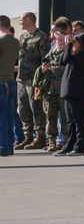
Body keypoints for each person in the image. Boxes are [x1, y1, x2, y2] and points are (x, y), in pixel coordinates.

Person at [15, 12, 48, 151]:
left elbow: (45, 60)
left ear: (29, 20)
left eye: (22, 20)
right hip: (22, 79)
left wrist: (41, 80)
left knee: (37, 109)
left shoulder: (42, 37)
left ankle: (40, 137)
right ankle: (27, 136)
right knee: (23, 109)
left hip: (34, 80)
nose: (20, 22)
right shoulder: (22, 37)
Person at [55, 32, 84, 156]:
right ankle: (69, 146)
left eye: (75, 42)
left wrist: (69, 46)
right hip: (70, 92)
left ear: (82, 44)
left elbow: (66, 59)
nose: (72, 44)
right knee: (70, 121)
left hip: (78, 92)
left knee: (79, 120)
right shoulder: (74, 55)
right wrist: (68, 47)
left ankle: (80, 146)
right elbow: (62, 61)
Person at [36, 19, 70, 152]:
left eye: (63, 40)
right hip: (50, 91)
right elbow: (43, 68)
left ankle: (66, 141)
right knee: (51, 118)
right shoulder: (50, 54)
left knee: (65, 117)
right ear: (55, 41)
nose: (61, 42)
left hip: (63, 91)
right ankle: (51, 142)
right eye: (59, 40)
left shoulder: (69, 54)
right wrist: (43, 70)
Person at [0, 18, 18, 157]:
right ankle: (9, 146)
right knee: (9, 116)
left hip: (1, 82)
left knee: (2, 116)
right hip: (11, 81)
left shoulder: (1, 41)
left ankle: (3, 147)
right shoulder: (15, 41)